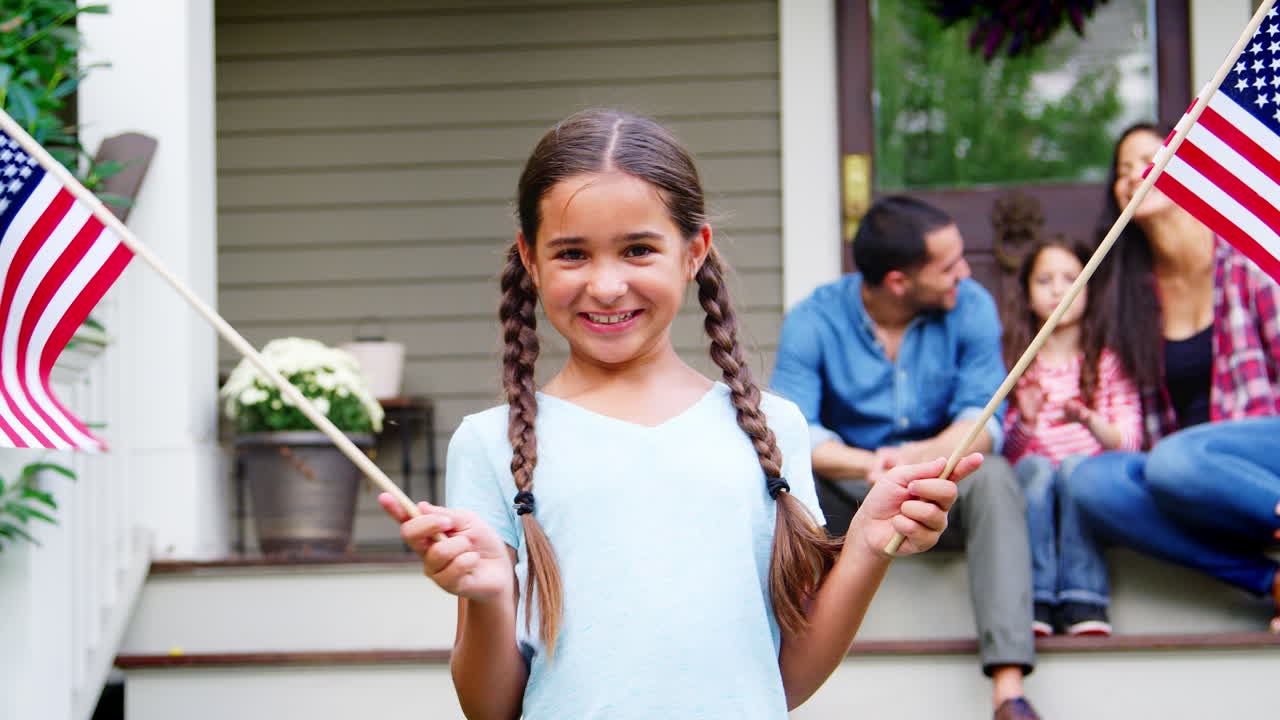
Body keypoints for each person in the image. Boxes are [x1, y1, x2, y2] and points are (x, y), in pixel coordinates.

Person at [377, 110, 981, 719]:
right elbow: (488, 708)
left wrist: (869, 547)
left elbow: (783, 681)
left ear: (694, 252)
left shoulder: (773, 430)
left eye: (638, 249)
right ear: (530, 261)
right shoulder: (488, 443)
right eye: (572, 254)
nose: (608, 285)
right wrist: (487, 598)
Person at [770, 195, 1041, 720]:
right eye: (948, 266)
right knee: (784, 481)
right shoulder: (814, 318)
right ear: (899, 281)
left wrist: (910, 459)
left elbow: (980, 425)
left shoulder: (972, 305)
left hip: (945, 478)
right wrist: (869, 465)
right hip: (849, 493)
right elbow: (793, 432)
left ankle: (1009, 691)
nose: (964, 271)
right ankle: (785, 659)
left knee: (997, 476)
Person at [1063, 122, 1280, 634]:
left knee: (1176, 458)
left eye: (1146, 159)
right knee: (1087, 478)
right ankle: (1271, 582)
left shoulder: (1246, 260)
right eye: (1121, 170)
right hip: (1189, 475)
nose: (1131, 176)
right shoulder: (1131, 298)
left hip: (1263, 450)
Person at [1001, 239, 1143, 637]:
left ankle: (1085, 596)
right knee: (1037, 468)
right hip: (1036, 487)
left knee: (1078, 470)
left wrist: (1089, 420)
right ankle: (1037, 599)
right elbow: (1006, 456)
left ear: (1089, 292)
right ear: (1027, 295)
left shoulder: (1107, 362)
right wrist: (1025, 420)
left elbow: (1130, 443)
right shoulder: (1018, 363)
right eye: (1044, 280)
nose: (1057, 290)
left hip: (1089, 482)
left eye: (1071, 279)